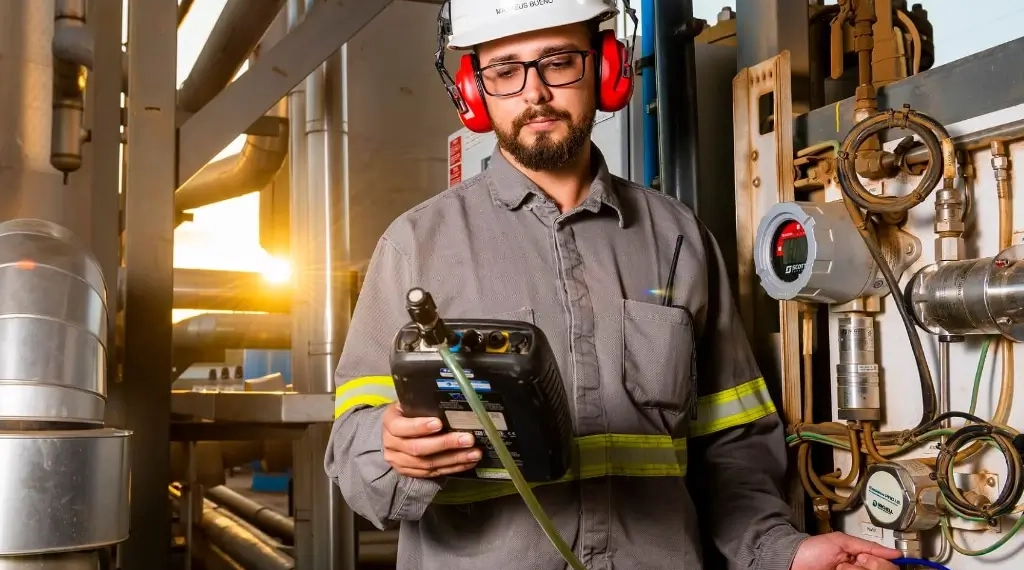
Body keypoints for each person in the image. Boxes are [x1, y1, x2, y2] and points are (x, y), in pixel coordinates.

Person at [325, 1, 902, 569]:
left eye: (558, 62)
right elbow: (352, 457)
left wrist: (785, 551)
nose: (535, 93)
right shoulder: (415, 246)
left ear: (605, 67)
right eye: (505, 71)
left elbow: (732, 447)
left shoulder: (678, 239)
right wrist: (389, 447)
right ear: (475, 95)